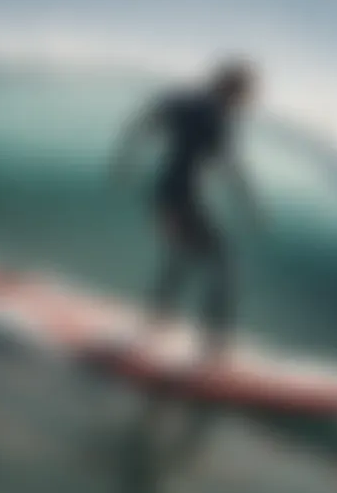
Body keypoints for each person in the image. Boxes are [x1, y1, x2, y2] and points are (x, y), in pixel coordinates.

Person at [111, 59, 262, 364]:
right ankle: (214, 347)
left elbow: (144, 123)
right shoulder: (216, 116)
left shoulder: (185, 102)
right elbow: (230, 165)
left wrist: (124, 159)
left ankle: (156, 321)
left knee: (183, 254)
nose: (246, 101)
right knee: (224, 265)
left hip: (165, 192)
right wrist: (249, 201)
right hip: (184, 195)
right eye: (245, 93)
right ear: (232, 89)